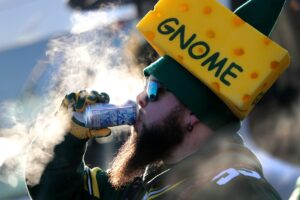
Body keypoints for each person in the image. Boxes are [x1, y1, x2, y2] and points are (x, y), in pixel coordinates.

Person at [25, 0, 289, 199]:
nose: (140, 98)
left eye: (154, 90)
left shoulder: (238, 190)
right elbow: (56, 192)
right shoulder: (150, 183)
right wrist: (65, 134)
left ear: (193, 113)